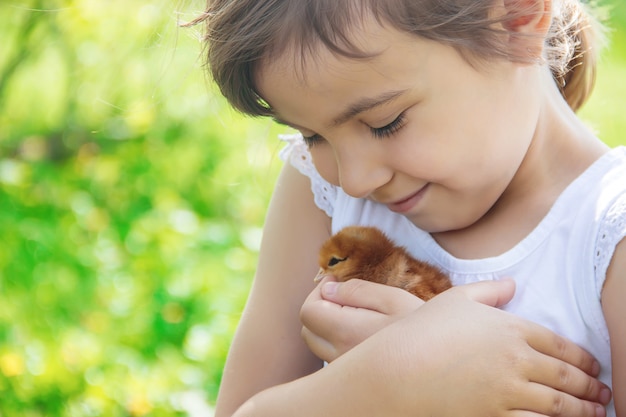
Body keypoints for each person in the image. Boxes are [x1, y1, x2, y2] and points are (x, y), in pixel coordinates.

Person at [189, 0, 625, 415]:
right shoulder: (322, 192)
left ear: (516, 19)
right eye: (312, 136)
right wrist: (384, 381)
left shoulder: (607, 235)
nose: (355, 181)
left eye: (385, 122)